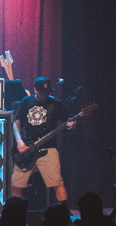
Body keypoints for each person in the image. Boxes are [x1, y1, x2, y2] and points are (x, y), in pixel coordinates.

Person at [11, 76, 74, 204]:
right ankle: (15, 214)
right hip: (27, 150)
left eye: (47, 93)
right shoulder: (25, 102)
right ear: (35, 90)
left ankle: (64, 215)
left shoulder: (56, 104)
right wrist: (19, 141)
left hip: (49, 149)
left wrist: (71, 125)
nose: (45, 96)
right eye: (42, 93)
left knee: (58, 183)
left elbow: (69, 121)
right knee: (16, 183)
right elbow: (16, 122)